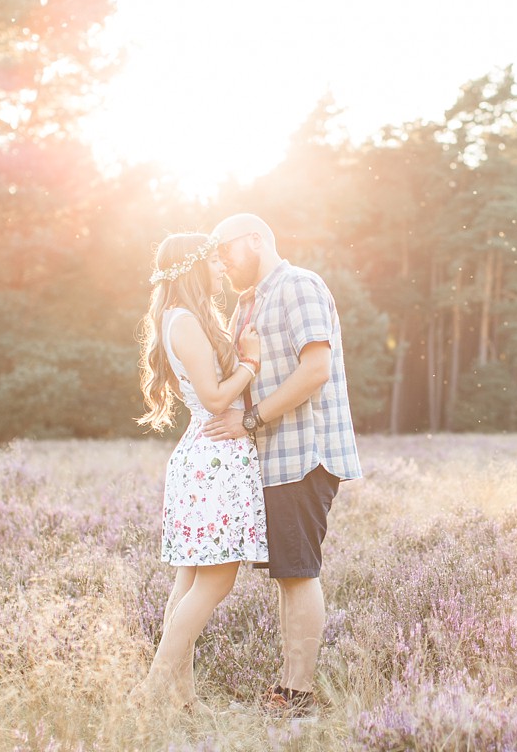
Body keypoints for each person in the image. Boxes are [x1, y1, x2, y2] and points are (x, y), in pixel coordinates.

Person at [202, 213, 362, 719]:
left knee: (297, 574)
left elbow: (315, 369)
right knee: (287, 575)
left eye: (224, 250)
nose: (221, 261)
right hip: (272, 458)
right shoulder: (247, 304)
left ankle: (297, 695)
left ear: (255, 240)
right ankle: (290, 688)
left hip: (302, 453)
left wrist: (249, 420)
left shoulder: (297, 285)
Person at [129, 232, 268, 713]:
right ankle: (150, 694)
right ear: (192, 268)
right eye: (213, 260)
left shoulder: (183, 318)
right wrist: (250, 361)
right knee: (215, 581)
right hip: (213, 460)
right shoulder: (184, 321)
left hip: (208, 457)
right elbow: (213, 399)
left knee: (189, 582)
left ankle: (184, 699)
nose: (221, 268)